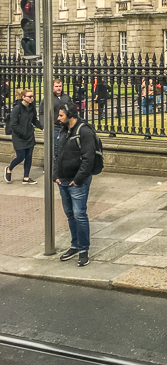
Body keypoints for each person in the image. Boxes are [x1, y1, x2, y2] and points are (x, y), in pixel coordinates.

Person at [54, 103, 96, 267]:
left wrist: (78, 179)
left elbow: (88, 159)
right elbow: (57, 154)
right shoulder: (63, 130)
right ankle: (75, 245)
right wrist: (55, 175)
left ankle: (84, 250)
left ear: (70, 115)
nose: (58, 118)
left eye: (61, 115)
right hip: (63, 180)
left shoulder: (84, 131)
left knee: (80, 214)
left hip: (76, 181)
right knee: (70, 214)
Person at [4, 88, 42, 184]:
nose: (31, 98)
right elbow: (13, 124)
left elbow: (34, 119)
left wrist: (41, 127)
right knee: (20, 157)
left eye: (32, 96)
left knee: (29, 157)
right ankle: (9, 169)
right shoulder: (17, 108)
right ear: (23, 97)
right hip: (19, 137)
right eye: (29, 96)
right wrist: (22, 133)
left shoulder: (32, 107)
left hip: (29, 135)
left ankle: (26, 178)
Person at [39, 78, 73, 149]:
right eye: (56, 86)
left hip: (66, 126)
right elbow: (42, 113)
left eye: (60, 86)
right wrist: (43, 126)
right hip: (54, 127)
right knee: (56, 147)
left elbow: (72, 110)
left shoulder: (66, 97)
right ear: (53, 87)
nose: (58, 88)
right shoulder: (48, 98)